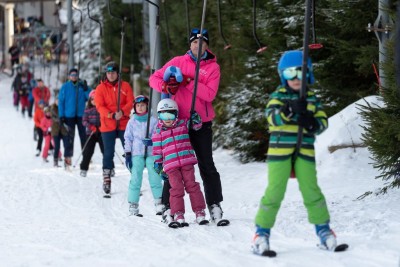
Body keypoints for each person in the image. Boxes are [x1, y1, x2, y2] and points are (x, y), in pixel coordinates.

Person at [252, 50, 337, 255]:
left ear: (307, 74)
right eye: (290, 73)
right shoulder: (278, 96)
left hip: (304, 151)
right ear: (283, 76)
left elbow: (323, 122)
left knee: (311, 190)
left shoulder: (311, 98)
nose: (296, 78)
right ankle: (261, 234)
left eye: (300, 72)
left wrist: (310, 121)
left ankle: (324, 231)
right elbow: (271, 117)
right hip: (280, 153)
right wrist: (288, 111)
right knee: (275, 191)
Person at [149, 28, 228, 225]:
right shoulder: (178, 62)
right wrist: (167, 87)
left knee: (206, 164)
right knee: (172, 165)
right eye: (194, 42)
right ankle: (169, 207)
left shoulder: (213, 67)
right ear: (190, 44)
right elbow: (154, 79)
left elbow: (209, 94)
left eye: (202, 42)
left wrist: (188, 82)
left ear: (207, 46)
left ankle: (214, 204)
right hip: (175, 124)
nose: (197, 45)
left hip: (200, 123)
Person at [151, 98, 207, 227]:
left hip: (186, 162)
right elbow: (157, 152)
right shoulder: (158, 132)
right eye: (163, 115)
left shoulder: (183, 124)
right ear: (159, 116)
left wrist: (196, 118)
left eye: (170, 114)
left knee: (192, 186)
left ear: (176, 114)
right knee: (176, 189)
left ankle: (199, 211)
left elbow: (197, 126)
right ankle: (178, 213)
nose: (167, 118)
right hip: (171, 166)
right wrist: (158, 165)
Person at [95, 61, 134, 195]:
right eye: (108, 72)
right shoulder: (100, 88)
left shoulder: (125, 86)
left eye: (113, 72)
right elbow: (99, 106)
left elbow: (131, 101)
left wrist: (122, 112)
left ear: (118, 73)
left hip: (123, 123)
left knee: (129, 150)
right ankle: (106, 179)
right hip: (108, 124)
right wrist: (111, 115)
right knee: (108, 152)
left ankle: (135, 178)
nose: (111, 75)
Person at [124, 95, 164, 216]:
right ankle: (133, 204)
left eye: (143, 105)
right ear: (135, 107)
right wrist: (128, 154)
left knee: (155, 176)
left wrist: (153, 141)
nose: (140, 108)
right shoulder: (132, 121)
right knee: (136, 177)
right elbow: (128, 138)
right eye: (138, 106)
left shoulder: (153, 121)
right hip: (137, 153)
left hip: (151, 152)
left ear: (147, 106)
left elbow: (158, 135)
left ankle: (159, 202)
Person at [58, 68, 91, 168]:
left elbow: (90, 97)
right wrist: (61, 115)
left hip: (81, 115)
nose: (74, 77)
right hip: (69, 116)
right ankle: (68, 158)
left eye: (75, 75)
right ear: (69, 76)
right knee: (69, 138)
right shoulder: (65, 87)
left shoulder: (81, 86)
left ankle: (86, 158)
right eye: (72, 75)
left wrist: (86, 89)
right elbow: (61, 102)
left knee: (83, 136)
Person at [79, 90, 104, 177]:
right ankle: (83, 168)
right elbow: (84, 121)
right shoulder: (87, 110)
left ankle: (109, 168)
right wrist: (91, 127)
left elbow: (105, 119)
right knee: (88, 152)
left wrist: (102, 126)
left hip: (101, 132)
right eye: (92, 99)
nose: (94, 101)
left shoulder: (102, 109)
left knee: (105, 151)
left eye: (96, 99)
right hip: (91, 133)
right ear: (90, 100)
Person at [50, 98, 69, 167]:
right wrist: (60, 120)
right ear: (55, 101)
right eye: (56, 100)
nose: (58, 102)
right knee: (57, 147)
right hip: (56, 131)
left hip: (64, 130)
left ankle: (67, 162)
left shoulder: (65, 108)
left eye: (59, 100)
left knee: (66, 146)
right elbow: (53, 117)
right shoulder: (52, 108)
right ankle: (55, 161)